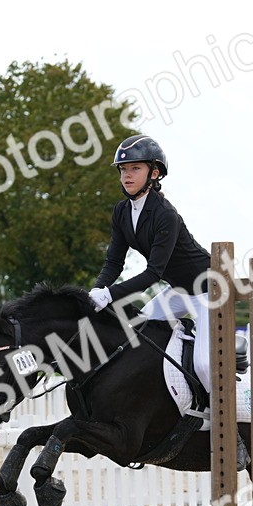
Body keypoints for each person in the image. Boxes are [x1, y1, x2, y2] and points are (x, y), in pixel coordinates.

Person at [89, 134, 214, 399]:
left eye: (135, 168)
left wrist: (109, 295)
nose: (127, 175)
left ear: (154, 173)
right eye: (123, 169)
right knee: (137, 332)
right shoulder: (122, 212)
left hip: (209, 290)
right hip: (180, 291)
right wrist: (96, 291)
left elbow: (153, 274)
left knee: (205, 366)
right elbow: (114, 262)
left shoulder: (165, 214)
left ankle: (222, 418)